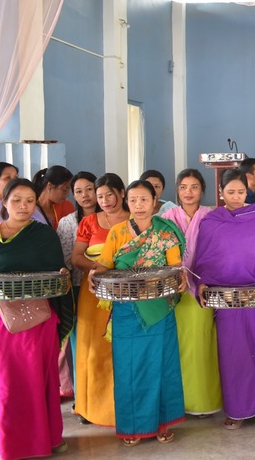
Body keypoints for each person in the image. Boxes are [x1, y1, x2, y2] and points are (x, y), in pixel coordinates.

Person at [0, 178, 74, 459]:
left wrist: (62, 275)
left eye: (30, 200)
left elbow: (58, 272)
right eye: (17, 200)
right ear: (4, 202)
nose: (24, 206)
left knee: (38, 378)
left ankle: (47, 438)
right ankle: (10, 443)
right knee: (6, 381)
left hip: (39, 318)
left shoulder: (43, 236)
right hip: (0, 319)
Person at [90, 179, 187, 446]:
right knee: (128, 369)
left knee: (162, 365)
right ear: (127, 202)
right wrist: (93, 272)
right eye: (133, 200)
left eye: (144, 199)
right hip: (126, 309)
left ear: (155, 202)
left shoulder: (166, 232)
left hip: (158, 306)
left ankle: (162, 423)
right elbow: (105, 263)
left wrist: (182, 278)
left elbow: (175, 267)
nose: (139, 205)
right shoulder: (118, 232)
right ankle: (132, 426)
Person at [193, 169, 255, 432]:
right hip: (227, 300)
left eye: (241, 192)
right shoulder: (212, 221)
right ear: (221, 194)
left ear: (248, 192)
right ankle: (238, 408)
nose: (236, 197)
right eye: (230, 192)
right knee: (233, 353)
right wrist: (201, 283)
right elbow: (205, 259)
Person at [0, 162, 45, 444]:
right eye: (8, 180)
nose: (23, 204)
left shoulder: (36, 217)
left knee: (27, 366)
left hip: (31, 300)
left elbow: (44, 255)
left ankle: (33, 426)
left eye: (28, 199)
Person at [161, 169, 222, 416]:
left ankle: (206, 400)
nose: (189, 192)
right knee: (178, 345)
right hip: (174, 289)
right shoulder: (166, 217)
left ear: (202, 190)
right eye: (184, 187)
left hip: (204, 287)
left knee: (204, 342)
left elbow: (218, 251)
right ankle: (180, 402)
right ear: (177, 190)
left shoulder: (212, 216)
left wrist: (206, 279)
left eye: (194, 187)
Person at [71, 173, 130, 427]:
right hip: (93, 291)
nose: (105, 200)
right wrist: (100, 267)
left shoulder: (134, 220)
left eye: (109, 194)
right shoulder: (89, 222)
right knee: (93, 349)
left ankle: (124, 406)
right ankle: (91, 407)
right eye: (100, 196)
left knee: (121, 348)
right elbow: (76, 257)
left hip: (127, 292)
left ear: (122, 192)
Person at [56, 171, 99, 400]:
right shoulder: (67, 222)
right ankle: (83, 396)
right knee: (81, 344)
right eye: (79, 191)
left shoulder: (111, 218)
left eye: (90, 189)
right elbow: (65, 258)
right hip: (76, 289)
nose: (85, 195)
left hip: (107, 289)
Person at [33, 165, 75, 230]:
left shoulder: (67, 207)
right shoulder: (30, 209)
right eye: (64, 190)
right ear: (50, 186)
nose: (67, 194)